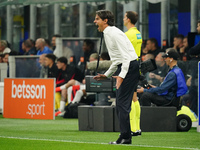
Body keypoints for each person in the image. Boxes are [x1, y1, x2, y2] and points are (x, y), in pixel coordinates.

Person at [93, 10, 139, 144]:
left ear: (105, 20)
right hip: (126, 67)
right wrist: (106, 75)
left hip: (129, 67)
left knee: (122, 104)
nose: (95, 21)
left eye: (97, 19)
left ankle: (126, 137)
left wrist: (121, 76)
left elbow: (126, 57)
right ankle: (124, 136)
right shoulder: (109, 33)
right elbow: (117, 60)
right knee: (120, 104)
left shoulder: (114, 33)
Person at [123, 11, 142, 136]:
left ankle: (132, 128)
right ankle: (137, 128)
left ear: (128, 19)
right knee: (134, 97)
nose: (123, 19)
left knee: (129, 97)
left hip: (129, 66)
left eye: (124, 17)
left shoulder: (127, 35)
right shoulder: (138, 33)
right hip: (137, 64)